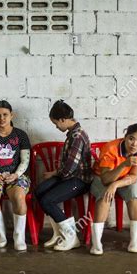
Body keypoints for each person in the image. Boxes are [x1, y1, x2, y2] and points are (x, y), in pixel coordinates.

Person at [35, 100, 92, 251]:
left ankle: (71, 236)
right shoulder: (72, 133)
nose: (56, 126)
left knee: (47, 200)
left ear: (63, 120)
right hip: (68, 176)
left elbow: (69, 169)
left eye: (56, 123)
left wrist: (55, 174)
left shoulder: (77, 136)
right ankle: (58, 233)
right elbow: (67, 168)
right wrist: (55, 174)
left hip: (79, 180)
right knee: (39, 191)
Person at [0, 100, 31, 251]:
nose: (1, 118)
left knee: (19, 197)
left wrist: (15, 175)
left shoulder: (21, 135)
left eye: (5, 115)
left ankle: (18, 236)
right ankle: (1, 234)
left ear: (11, 115)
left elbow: (25, 160)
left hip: (17, 175)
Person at [90, 123, 137, 255]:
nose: (134, 144)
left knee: (135, 195)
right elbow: (105, 179)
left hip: (123, 179)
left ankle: (134, 242)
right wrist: (123, 165)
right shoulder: (110, 148)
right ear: (125, 137)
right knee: (105, 195)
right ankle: (96, 244)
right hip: (100, 177)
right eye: (131, 139)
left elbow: (133, 176)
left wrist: (115, 185)